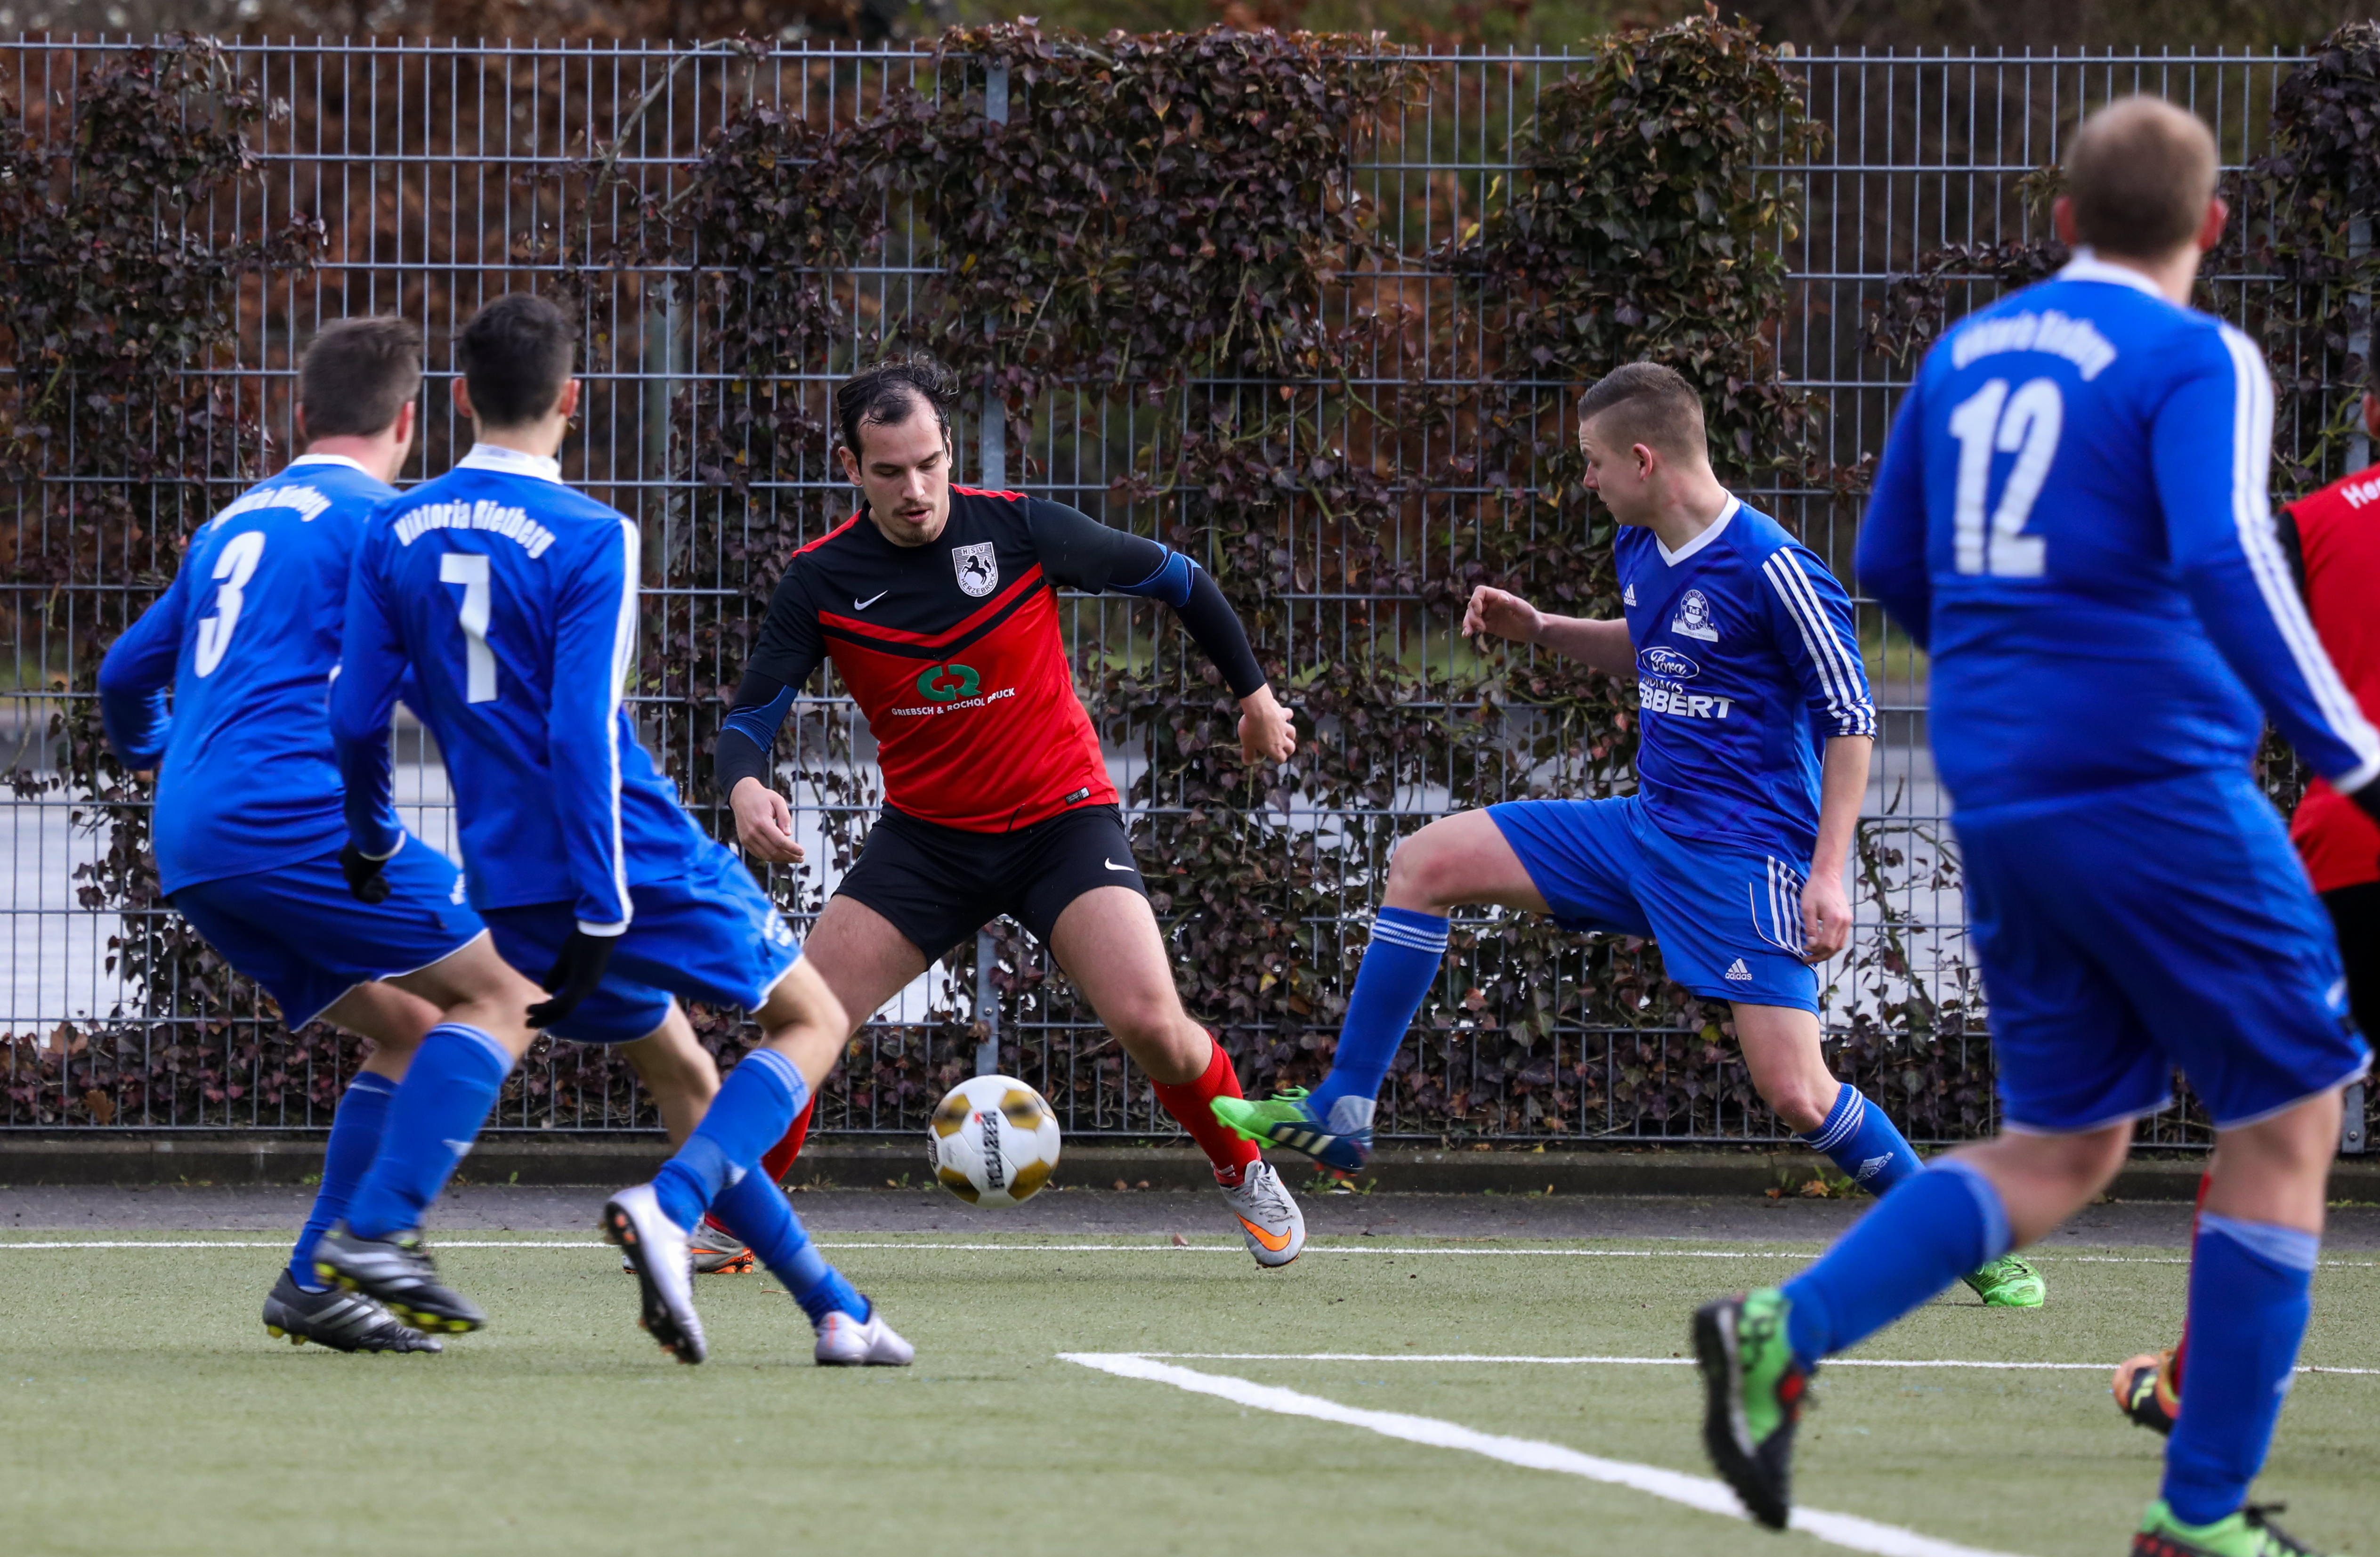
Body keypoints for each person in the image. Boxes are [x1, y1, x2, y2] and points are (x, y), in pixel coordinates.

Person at [1696, 97, 2380, 1557]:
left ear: (2061, 221)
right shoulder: (2197, 355)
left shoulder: (1964, 352)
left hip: (2002, 792)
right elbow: (2224, 556)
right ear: (2208, 229)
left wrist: (2008, 676)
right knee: (2289, 1117)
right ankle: (2198, 1523)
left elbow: (1887, 558)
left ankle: (1784, 1329)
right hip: (2155, 782)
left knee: (2064, 1146)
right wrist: (2353, 758)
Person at [1209, 360, 2041, 1307]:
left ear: (1644, 460)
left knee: (1798, 1092)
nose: (1587, 478)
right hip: (1641, 833)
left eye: (1594, 460)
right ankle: (1344, 1107)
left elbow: (1852, 721)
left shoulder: (1775, 569)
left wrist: (1827, 874)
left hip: (1742, 863)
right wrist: (1542, 629)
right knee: (1423, 862)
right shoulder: (1640, 547)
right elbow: (1650, 644)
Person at [328, 293, 902, 1367]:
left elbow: (355, 714)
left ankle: (838, 1310)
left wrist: (369, 839)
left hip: (506, 877)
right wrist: (605, 904)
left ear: (460, 397)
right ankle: (670, 1206)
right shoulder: (593, 534)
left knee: (682, 1069)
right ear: (573, 400)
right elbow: (580, 730)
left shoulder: (392, 529)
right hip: (627, 857)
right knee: (813, 1018)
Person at [712, 354, 1310, 1267]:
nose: (916, 490)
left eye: (929, 463)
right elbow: (751, 719)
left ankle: (1241, 1164)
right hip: (927, 842)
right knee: (804, 1021)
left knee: (1155, 1025)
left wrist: (1255, 697)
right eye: (889, 471)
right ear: (850, 467)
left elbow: (1179, 578)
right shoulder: (820, 579)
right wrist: (745, 786)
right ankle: (735, 1221)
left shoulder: (1021, 529)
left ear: (949, 449)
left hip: (1060, 824)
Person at [94, 317, 564, 1354]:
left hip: (194, 841)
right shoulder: (386, 523)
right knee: (515, 988)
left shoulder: (231, 522)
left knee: (413, 1021)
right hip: (290, 821)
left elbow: (123, 674)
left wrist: (161, 758)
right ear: (410, 421)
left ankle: (313, 1282)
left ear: (301, 415)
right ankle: (379, 1237)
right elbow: (455, 689)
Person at [2114, 375, 2380, 1441]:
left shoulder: (2312, 525)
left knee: (2271, 1125)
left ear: (2370, 408)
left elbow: (2221, 682)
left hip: (2349, 852)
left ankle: (2194, 1381)